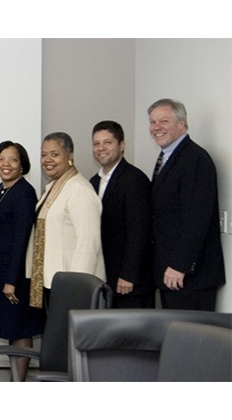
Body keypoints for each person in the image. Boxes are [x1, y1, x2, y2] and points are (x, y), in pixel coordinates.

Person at [148, 99, 225, 311]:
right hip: (172, 273)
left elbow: (196, 218)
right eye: (153, 122)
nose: (156, 128)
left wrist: (179, 265)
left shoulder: (195, 159)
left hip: (190, 277)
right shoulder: (167, 157)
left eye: (164, 121)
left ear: (181, 124)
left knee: (192, 340)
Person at [0, 141, 44, 381]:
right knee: (12, 326)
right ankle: (15, 379)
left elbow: (21, 239)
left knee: (20, 327)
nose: (6, 164)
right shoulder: (3, 189)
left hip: (17, 273)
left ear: (23, 165)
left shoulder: (24, 192)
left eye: (13, 160)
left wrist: (11, 280)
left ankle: (18, 382)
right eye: (1, 159)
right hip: (3, 269)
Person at [26, 132, 104, 309]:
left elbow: (88, 243)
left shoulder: (80, 189)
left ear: (70, 156)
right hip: (51, 281)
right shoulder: (53, 187)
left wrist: (76, 287)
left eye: (54, 154)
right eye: (43, 155)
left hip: (73, 285)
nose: (47, 160)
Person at [89, 121, 154, 308]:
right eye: (96, 143)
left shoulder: (135, 180)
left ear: (122, 145)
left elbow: (140, 232)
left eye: (107, 142)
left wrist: (128, 274)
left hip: (129, 283)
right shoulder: (93, 182)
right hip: (106, 278)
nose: (101, 148)